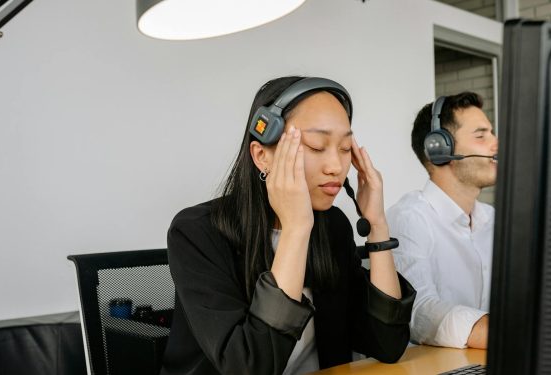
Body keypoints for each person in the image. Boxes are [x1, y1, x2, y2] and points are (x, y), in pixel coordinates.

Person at [160, 76, 415, 375]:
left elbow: (389, 344)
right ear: (261, 155)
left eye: (345, 148)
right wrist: (295, 229)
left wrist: (378, 227)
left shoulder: (333, 227)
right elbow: (251, 368)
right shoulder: (197, 232)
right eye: (317, 146)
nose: (336, 165)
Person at [386, 92, 498, 349]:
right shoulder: (409, 219)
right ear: (440, 148)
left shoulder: (493, 220)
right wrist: (504, 333)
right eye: (481, 136)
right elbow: (420, 312)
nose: (496, 143)